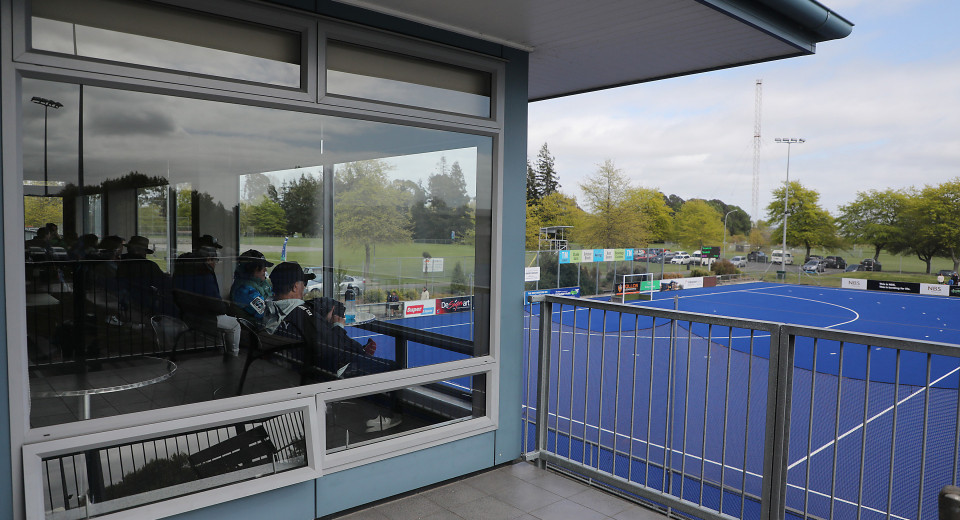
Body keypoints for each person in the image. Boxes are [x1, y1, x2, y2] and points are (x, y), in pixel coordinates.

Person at [172, 245, 241, 357]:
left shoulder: (180, 271)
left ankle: (222, 350)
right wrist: (226, 308)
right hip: (203, 317)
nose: (215, 263)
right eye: (215, 260)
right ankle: (233, 356)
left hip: (185, 315)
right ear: (209, 259)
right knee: (235, 324)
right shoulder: (204, 274)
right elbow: (214, 304)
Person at [230, 249, 274, 323]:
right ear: (254, 268)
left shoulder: (258, 282)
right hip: (257, 330)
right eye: (263, 267)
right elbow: (266, 314)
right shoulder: (245, 290)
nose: (265, 270)